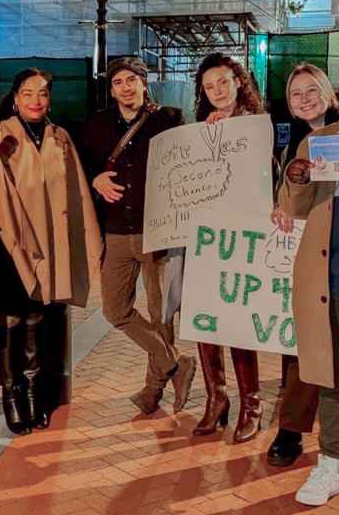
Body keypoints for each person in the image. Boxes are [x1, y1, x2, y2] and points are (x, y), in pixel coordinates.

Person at [0, 68, 102, 434]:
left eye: (43, 93)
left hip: (48, 242)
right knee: (12, 318)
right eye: (28, 93)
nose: (36, 100)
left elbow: (75, 193)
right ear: (15, 97)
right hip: (7, 243)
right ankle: (11, 396)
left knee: (38, 316)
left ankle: (32, 393)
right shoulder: (0, 133)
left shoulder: (60, 139)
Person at [82, 56, 196, 416]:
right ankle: (175, 363)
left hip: (159, 231)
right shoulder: (97, 124)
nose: (125, 87)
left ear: (144, 83)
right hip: (116, 232)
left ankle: (152, 390)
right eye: (118, 82)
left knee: (161, 314)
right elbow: (81, 165)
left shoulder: (170, 119)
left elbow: (194, 161)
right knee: (115, 309)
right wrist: (94, 179)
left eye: (132, 80)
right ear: (111, 88)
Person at [277, 57, 339, 505]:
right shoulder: (323, 142)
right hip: (336, 277)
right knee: (335, 376)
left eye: (311, 91)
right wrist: (297, 178)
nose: (304, 100)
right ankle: (332, 461)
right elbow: (296, 204)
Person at [192, 52, 266, 442]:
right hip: (206, 238)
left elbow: (258, 177)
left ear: (238, 81)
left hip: (243, 238)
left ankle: (251, 404)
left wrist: (228, 138)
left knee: (238, 326)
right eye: (209, 86)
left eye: (223, 82)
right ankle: (216, 399)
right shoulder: (199, 129)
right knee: (205, 321)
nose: (217, 91)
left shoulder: (256, 125)